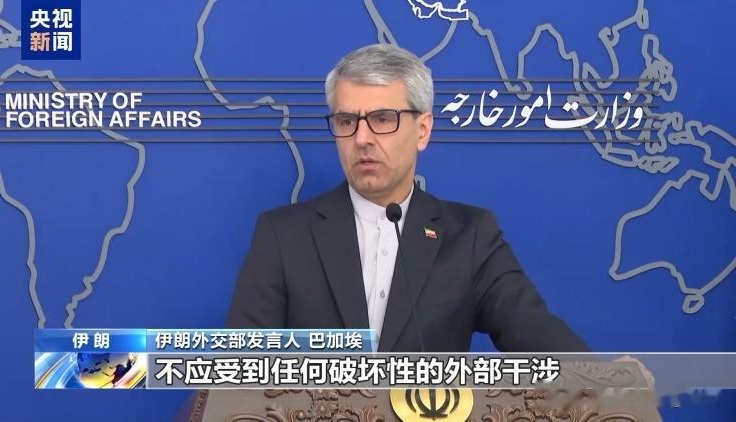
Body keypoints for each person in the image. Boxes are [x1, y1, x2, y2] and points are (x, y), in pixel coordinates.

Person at [226, 44, 589, 353]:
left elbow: (532, 329)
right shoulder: (282, 236)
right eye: (347, 121)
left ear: (423, 130)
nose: (362, 138)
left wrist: (602, 381)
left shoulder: (470, 237)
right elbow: (241, 370)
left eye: (383, 119)